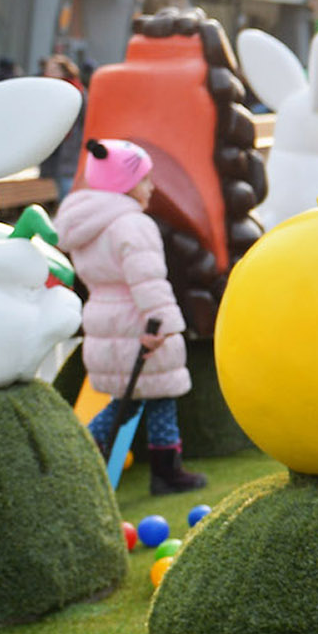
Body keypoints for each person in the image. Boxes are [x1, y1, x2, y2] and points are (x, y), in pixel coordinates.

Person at [54, 139, 207, 495]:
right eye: (145, 180)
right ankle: (164, 471)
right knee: (154, 398)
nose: (151, 187)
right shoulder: (131, 225)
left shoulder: (86, 223)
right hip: (138, 320)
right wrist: (162, 326)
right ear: (123, 184)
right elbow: (147, 280)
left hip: (105, 320)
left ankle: (85, 455)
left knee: (132, 398)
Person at [39, 54, 87, 200]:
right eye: (48, 69)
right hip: (54, 142)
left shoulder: (77, 90)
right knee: (59, 183)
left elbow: (85, 118)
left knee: (67, 183)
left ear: (63, 71)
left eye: (53, 69)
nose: (49, 73)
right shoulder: (46, 90)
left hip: (70, 144)